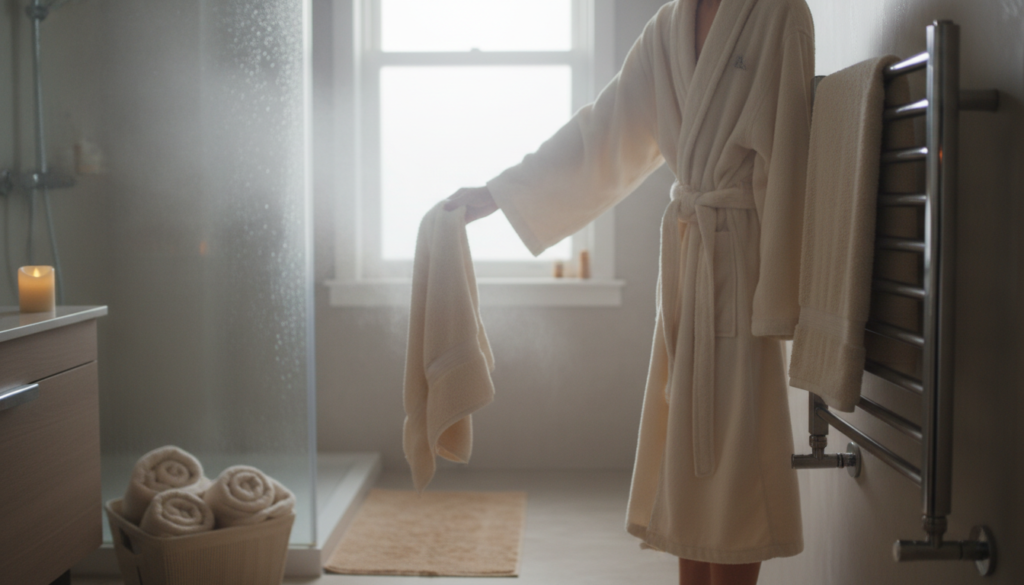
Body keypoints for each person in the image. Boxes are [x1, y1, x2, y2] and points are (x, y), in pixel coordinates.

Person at [446, 1, 814, 583]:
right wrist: (500, 193)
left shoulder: (778, 13)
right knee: (688, 461)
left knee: (738, 467)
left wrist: (783, 301)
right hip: (691, 261)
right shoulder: (666, 28)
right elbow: (602, 131)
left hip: (742, 265)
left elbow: (790, 156)